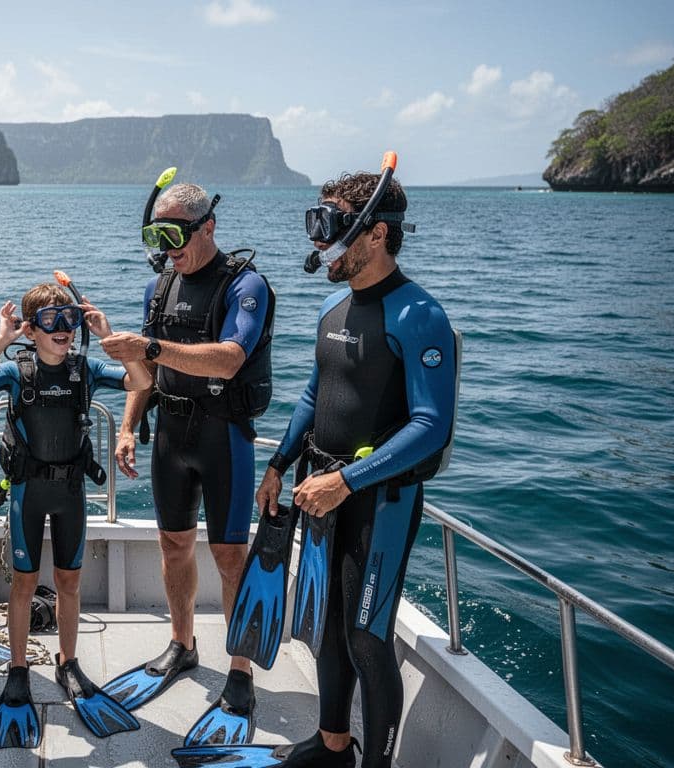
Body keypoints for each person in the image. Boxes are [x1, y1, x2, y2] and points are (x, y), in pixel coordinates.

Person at [256, 171, 455, 767]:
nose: (319, 240)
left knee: (367, 640)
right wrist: (278, 463)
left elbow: (431, 425)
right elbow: (315, 398)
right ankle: (333, 745)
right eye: (315, 221)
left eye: (330, 224)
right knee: (327, 628)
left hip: (377, 502)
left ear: (374, 234)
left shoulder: (419, 315)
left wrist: (347, 481)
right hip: (319, 491)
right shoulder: (331, 305)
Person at [99, 180, 276, 745]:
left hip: (224, 434)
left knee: (229, 555)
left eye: (175, 233)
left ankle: (240, 670)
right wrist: (127, 427)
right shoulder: (160, 286)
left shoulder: (245, 285)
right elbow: (143, 373)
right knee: (172, 544)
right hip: (172, 435)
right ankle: (182, 644)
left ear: (208, 227)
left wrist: (149, 348)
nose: (167, 245)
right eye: (158, 234)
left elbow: (229, 359)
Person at [0, 284, 151, 747]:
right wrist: (3, 339)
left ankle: (68, 663)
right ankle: (19, 668)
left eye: (69, 319)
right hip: (28, 491)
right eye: (50, 321)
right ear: (32, 328)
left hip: (70, 493)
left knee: (69, 582)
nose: (63, 329)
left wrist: (108, 338)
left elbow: (142, 382)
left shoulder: (86, 369)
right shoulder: (16, 371)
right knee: (24, 584)